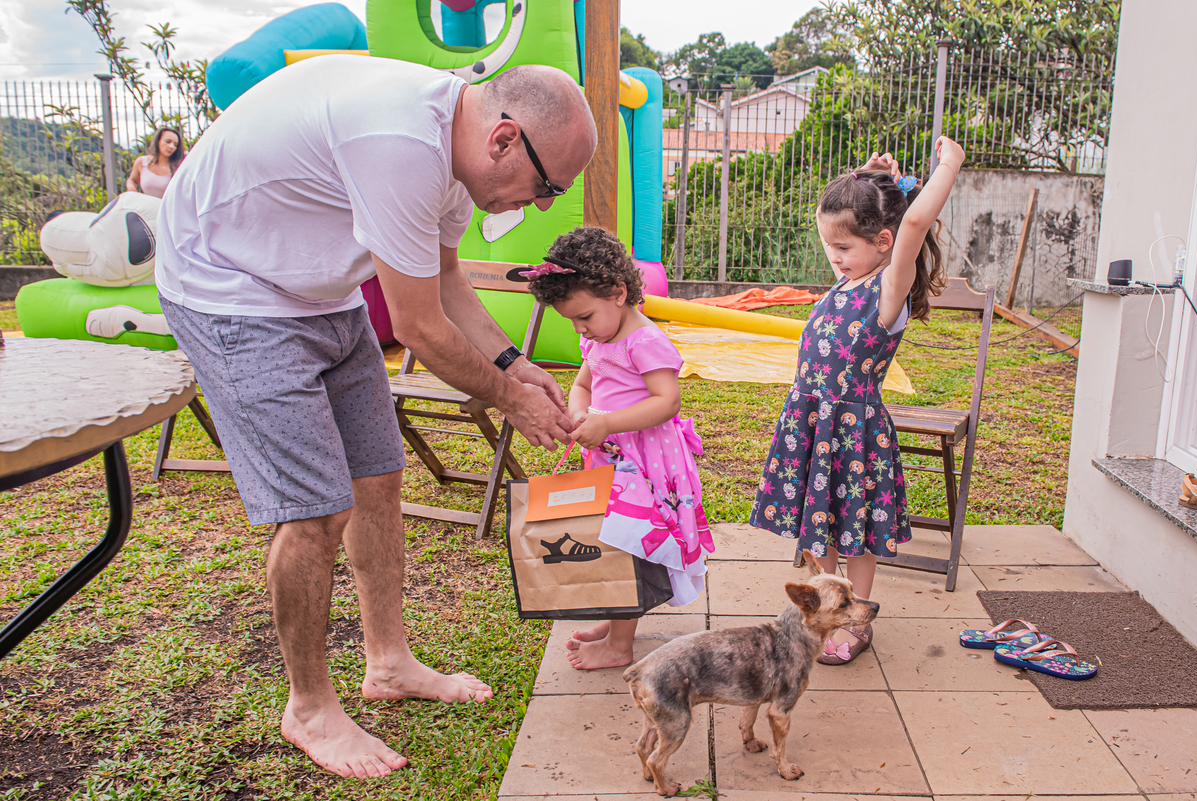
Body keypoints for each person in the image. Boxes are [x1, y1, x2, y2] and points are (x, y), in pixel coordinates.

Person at [154, 55, 597, 779]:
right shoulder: (401, 145)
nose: (545, 205)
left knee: (379, 479)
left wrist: (517, 366)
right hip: (229, 284)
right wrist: (509, 399)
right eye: (548, 186)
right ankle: (308, 706)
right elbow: (420, 329)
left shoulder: (460, 163)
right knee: (314, 510)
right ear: (505, 139)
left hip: (320, 289)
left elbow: (448, 282)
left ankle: (388, 662)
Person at [748, 137, 965, 665]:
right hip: (812, 425)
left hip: (852, 431)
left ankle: (857, 618)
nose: (834, 257)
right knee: (818, 523)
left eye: (844, 249)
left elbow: (912, 226)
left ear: (885, 242)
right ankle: (825, 606)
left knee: (857, 529)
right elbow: (855, 220)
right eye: (830, 245)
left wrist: (949, 166)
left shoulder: (889, 291)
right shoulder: (847, 282)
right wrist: (867, 178)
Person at [524, 226, 714, 670]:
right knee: (609, 541)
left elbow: (667, 402)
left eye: (584, 317)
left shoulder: (645, 341)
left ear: (618, 292)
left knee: (630, 545)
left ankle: (620, 645)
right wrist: (580, 416)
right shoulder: (599, 336)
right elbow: (583, 384)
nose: (579, 328)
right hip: (610, 458)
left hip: (645, 465)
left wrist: (606, 422)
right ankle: (615, 624)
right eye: (572, 320)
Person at [126, 127, 185, 198]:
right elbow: (133, 180)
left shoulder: (179, 167)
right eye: (168, 141)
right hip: (146, 207)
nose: (171, 146)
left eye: (175, 145)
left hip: (169, 208)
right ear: (158, 141)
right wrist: (131, 189)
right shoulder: (142, 162)